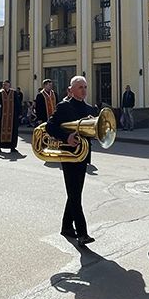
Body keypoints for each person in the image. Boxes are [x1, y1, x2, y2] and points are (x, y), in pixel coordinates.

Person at [47, 76, 100, 243]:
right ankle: (82, 233)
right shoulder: (64, 106)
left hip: (83, 155)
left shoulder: (89, 108)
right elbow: (50, 126)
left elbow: (92, 132)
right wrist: (66, 137)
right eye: (80, 87)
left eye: (85, 87)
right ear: (71, 90)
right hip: (69, 154)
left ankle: (66, 227)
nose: (84, 90)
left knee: (75, 193)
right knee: (75, 194)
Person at [0, 81, 19, 154]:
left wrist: (19, 114)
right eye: (3, 85)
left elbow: (17, 104)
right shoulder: (0, 94)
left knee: (13, 131)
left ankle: (12, 147)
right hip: (2, 116)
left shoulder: (14, 93)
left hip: (12, 116)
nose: (4, 86)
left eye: (6, 85)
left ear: (9, 85)